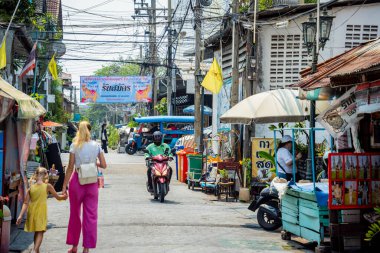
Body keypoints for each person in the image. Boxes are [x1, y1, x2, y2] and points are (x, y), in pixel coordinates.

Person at [62, 121, 107, 253]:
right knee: (91, 216)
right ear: (90, 130)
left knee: (75, 215)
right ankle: (86, 248)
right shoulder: (97, 145)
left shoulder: (74, 145)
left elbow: (70, 167)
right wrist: (93, 163)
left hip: (77, 181)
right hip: (92, 182)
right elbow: (104, 165)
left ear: (78, 131)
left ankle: (74, 246)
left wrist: (64, 186)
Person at [16, 167, 67, 253]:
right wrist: (64, 197)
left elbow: (25, 203)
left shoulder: (31, 188)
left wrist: (20, 216)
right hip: (41, 212)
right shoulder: (47, 186)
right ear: (45, 175)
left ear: (35, 175)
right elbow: (58, 197)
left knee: (37, 231)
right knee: (41, 231)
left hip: (32, 212)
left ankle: (37, 250)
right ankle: (35, 250)